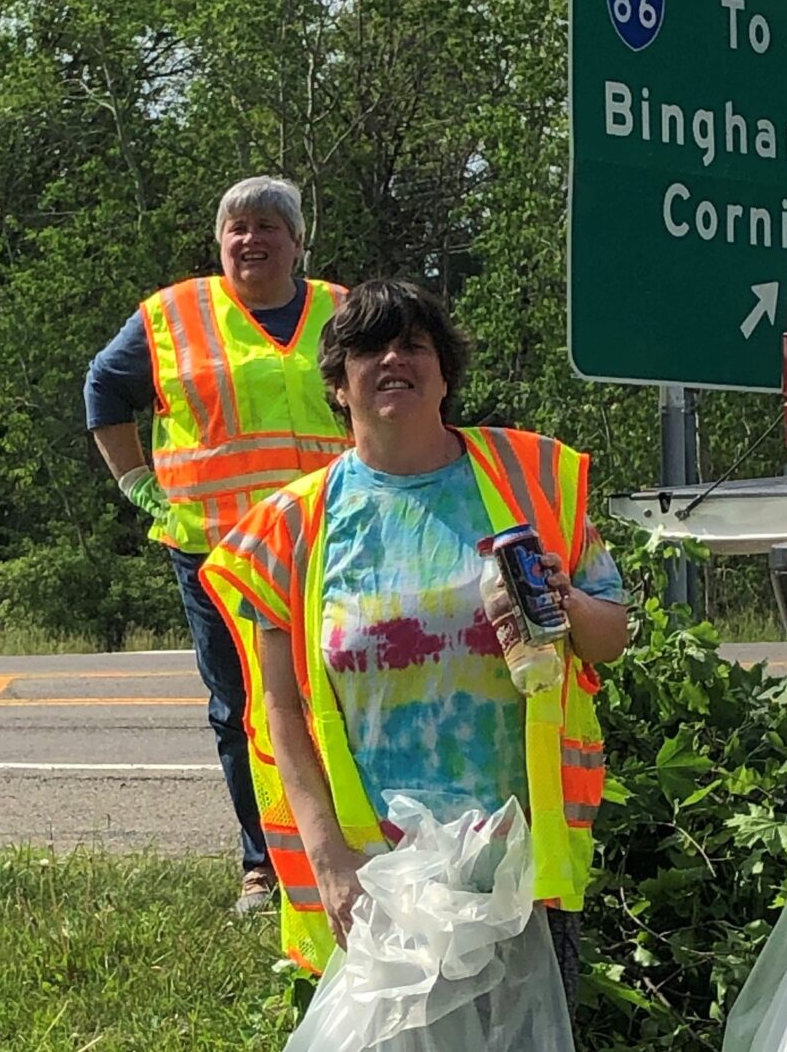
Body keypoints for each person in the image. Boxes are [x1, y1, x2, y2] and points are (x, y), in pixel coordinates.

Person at [200, 278, 627, 995]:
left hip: (519, 858)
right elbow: (280, 712)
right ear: (339, 387)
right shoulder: (290, 527)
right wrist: (328, 861)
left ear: (445, 374)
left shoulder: (533, 478)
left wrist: (568, 602)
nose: (393, 359)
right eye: (369, 349)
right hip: (382, 873)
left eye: (414, 345)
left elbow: (610, 638)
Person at [86, 177, 348, 915]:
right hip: (218, 551)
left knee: (344, 694)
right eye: (237, 227)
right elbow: (103, 389)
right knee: (241, 708)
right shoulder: (173, 315)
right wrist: (136, 482)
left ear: (297, 242)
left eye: (267, 226)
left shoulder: (342, 311)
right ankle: (263, 864)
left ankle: (348, 842)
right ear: (219, 242)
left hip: (331, 544)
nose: (249, 239)